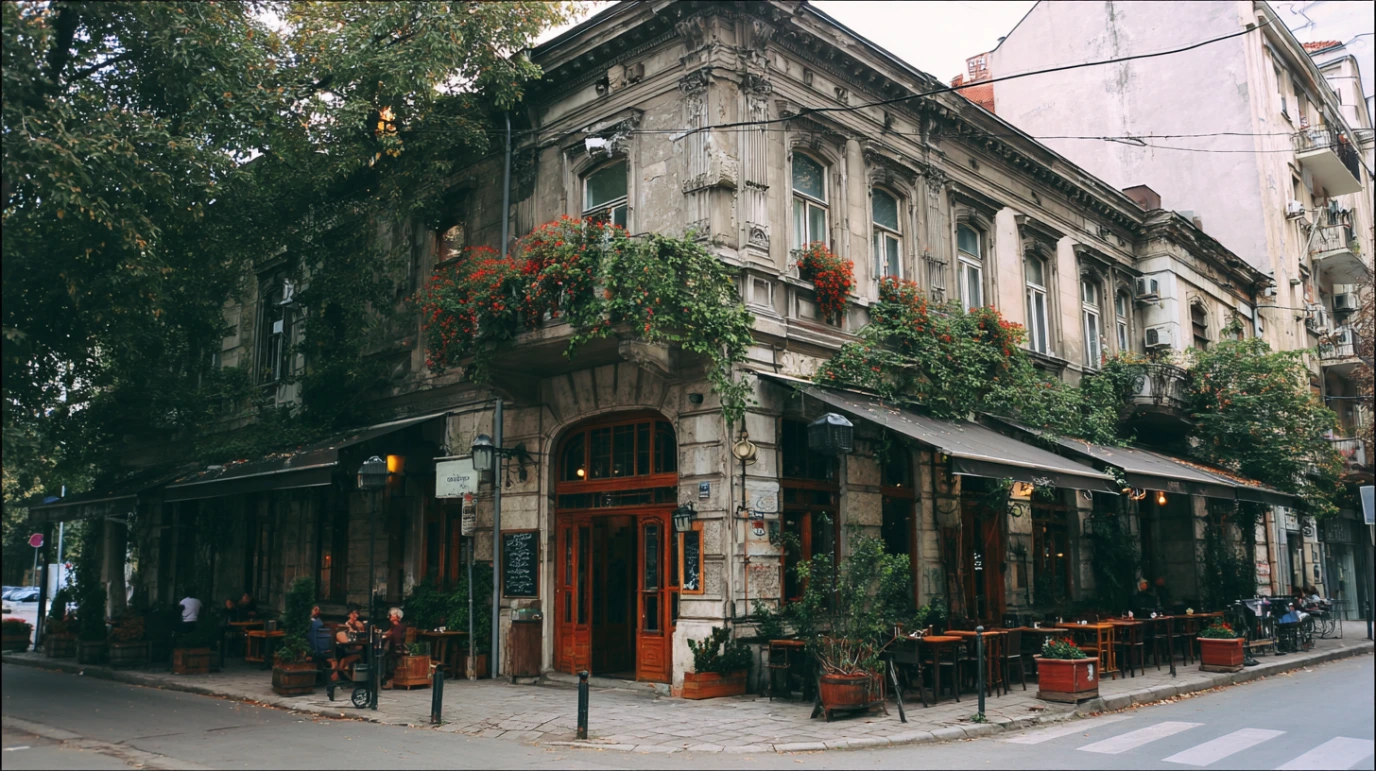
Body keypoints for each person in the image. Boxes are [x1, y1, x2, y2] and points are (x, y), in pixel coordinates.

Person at [379, 607, 408, 689]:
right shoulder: (393, 626)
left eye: (393, 614)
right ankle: (385, 678)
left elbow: (396, 638)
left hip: (396, 648)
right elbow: (389, 633)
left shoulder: (399, 626)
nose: (391, 615)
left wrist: (386, 636)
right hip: (393, 647)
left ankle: (389, 680)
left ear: (398, 616)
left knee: (388, 658)